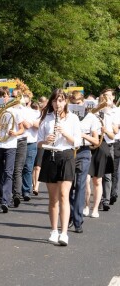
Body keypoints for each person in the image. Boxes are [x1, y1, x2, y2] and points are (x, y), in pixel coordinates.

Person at [37, 89, 81, 246]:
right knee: (53, 198)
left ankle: (64, 233)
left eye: (61, 100)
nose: (58, 104)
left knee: (64, 195)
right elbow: (38, 142)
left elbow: (77, 142)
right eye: (55, 101)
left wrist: (65, 133)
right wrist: (46, 141)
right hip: (50, 156)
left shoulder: (73, 118)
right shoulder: (47, 118)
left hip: (66, 156)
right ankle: (54, 230)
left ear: (66, 102)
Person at [0, 86, 24, 213]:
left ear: (9, 96)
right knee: (0, 174)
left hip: (10, 145)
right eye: (0, 96)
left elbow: (22, 129)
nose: (2, 98)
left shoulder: (15, 111)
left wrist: (16, 133)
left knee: (8, 172)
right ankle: (2, 199)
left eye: (5, 95)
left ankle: (5, 202)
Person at [68, 91, 100, 233]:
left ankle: (78, 220)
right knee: (68, 186)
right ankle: (69, 215)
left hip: (83, 152)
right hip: (68, 151)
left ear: (83, 104)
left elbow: (96, 141)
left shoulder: (91, 117)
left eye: (79, 104)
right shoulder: (67, 117)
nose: (76, 106)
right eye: (73, 104)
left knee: (80, 186)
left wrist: (81, 134)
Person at [21, 97, 41, 201]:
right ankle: (15, 191)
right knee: (16, 169)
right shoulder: (13, 111)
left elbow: (39, 125)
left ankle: (26, 191)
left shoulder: (35, 112)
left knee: (28, 168)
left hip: (30, 142)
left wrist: (30, 122)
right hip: (16, 142)